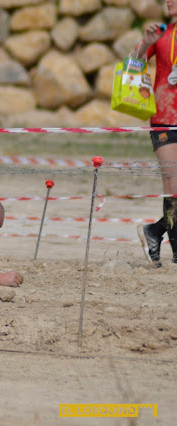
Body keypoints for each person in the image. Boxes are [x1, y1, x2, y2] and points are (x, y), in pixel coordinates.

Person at [135, 1, 177, 267]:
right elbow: (133, 65)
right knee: (173, 185)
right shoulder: (160, 32)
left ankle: (155, 230)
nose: (169, 1)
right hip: (165, 116)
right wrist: (144, 45)